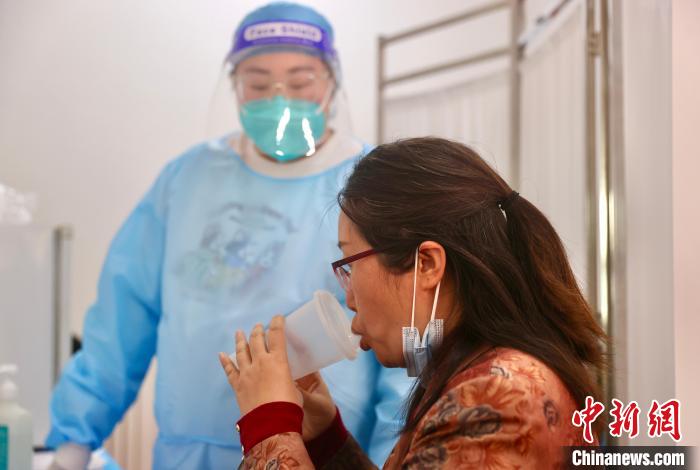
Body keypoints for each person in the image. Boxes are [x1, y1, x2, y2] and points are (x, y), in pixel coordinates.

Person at [46, 3, 412, 469]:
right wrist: (73, 443)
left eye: (300, 82)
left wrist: (389, 459)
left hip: (319, 454)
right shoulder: (189, 179)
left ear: (331, 82)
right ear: (235, 85)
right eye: (258, 84)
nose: (279, 98)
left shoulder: (369, 186)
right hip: (187, 455)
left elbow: (404, 344)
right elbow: (120, 321)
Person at [219, 137, 608, 468]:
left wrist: (269, 425)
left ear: (427, 265)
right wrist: (325, 438)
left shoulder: (498, 400)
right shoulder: (487, 374)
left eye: (350, 264)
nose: (348, 298)